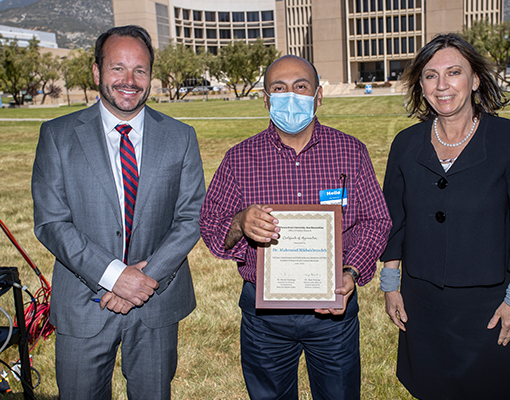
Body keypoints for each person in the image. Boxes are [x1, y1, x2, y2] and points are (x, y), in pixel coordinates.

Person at [199, 55, 391, 400]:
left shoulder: (351, 152)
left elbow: (376, 220)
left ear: (318, 96)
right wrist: (240, 223)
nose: (291, 96)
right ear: (266, 98)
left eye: (300, 87)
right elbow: (213, 231)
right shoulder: (239, 159)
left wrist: (350, 271)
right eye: (279, 88)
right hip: (264, 318)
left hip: (333, 313)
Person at [379, 33, 510, 399]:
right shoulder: (406, 143)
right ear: (421, 84)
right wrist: (390, 285)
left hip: (489, 306)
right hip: (421, 302)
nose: (442, 85)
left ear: (475, 79)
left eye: (454, 72)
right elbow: (394, 219)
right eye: (430, 75)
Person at [31, 25, 205, 399]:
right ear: (96, 72)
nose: (129, 80)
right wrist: (113, 276)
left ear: (150, 76)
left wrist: (142, 282)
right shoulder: (57, 136)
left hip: (156, 302)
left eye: (140, 70)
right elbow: (51, 222)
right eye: (117, 68)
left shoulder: (180, 136)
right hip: (83, 304)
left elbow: (191, 218)